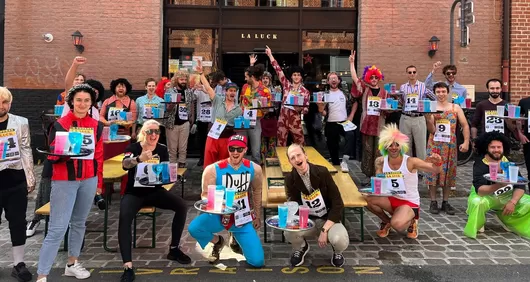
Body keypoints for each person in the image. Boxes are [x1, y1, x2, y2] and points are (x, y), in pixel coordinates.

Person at [36, 84, 104, 282]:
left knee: (79, 224)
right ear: (71, 102)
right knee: (57, 228)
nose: (82, 104)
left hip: (89, 180)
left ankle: (72, 264)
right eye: (78, 100)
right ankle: (42, 274)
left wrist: (98, 182)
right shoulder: (59, 124)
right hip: (64, 181)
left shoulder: (97, 125)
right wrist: (63, 154)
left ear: (92, 103)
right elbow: (51, 158)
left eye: (86, 100)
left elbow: (98, 157)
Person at [119, 120, 191, 282]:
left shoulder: (162, 149)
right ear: (143, 133)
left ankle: (174, 249)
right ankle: (128, 267)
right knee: (124, 219)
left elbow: (165, 175)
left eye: (157, 132)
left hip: (155, 191)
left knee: (181, 206)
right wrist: (139, 159)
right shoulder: (133, 148)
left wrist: (170, 175)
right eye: (150, 131)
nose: (153, 135)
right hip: (134, 193)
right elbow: (125, 164)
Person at [188, 135, 264, 267]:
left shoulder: (254, 168)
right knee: (194, 228)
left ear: (245, 150)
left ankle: (235, 237)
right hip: (218, 216)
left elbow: (257, 192)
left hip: (241, 218)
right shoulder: (213, 170)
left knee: (257, 261)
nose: (235, 152)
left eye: (239, 149)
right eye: (232, 148)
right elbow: (205, 195)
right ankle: (217, 241)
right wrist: (215, 203)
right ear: (228, 149)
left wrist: (257, 215)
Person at [364, 124, 442, 239]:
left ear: (402, 146)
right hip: (391, 199)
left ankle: (411, 221)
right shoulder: (381, 162)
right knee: (367, 200)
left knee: (398, 225)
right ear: (385, 147)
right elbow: (379, 187)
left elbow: (436, 170)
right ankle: (386, 221)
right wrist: (371, 190)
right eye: (390, 145)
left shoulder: (411, 162)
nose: (394, 148)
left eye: (397, 145)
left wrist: (438, 162)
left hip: (408, 202)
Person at [283, 144, 348, 267]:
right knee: (288, 233)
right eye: (292, 158)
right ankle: (301, 247)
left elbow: (337, 203)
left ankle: (338, 251)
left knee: (340, 239)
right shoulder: (289, 179)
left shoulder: (322, 172)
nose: (297, 159)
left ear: (305, 155)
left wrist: (325, 230)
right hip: (307, 221)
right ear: (290, 162)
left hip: (327, 218)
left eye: (299, 155)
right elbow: (293, 205)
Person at [464, 132, 530, 239]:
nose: (496, 150)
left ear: (503, 147)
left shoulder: (507, 162)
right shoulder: (480, 163)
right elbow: (480, 191)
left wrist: (512, 202)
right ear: (486, 148)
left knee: (528, 202)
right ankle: (478, 221)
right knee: (477, 202)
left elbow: (520, 185)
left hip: (506, 195)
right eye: (492, 147)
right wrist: (499, 185)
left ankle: (507, 218)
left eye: (499, 147)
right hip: (486, 196)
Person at [0, 87, 36, 282]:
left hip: (15, 181)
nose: (1, 106)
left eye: (4, 102)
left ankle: (18, 263)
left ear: (10, 103)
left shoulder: (21, 122)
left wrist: (30, 178)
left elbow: (25, 149)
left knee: (18, 222)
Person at [425, 82, 470, 215]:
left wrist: (466, 141)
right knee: (433, 172)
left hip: (450, 146)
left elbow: (465, 125)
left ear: (448, 92)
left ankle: (445, 201)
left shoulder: (455, 107)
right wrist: (428, 119)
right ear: (435, 93)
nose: (441, 94)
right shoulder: (432, 108)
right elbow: (432, 130)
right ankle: (433, 201)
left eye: (443, 91)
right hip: (435, 145)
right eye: (438, 92)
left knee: (449, 173)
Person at [349, 50, 388, 182]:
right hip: (366, 124)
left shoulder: (385, 92)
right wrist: (351, 63)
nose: (373, 80)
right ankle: (368, 175)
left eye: (375, 78)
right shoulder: (365, 89)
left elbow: (388, 110)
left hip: (379, 125)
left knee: (378, 151)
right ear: (368, 78)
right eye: (371, 78)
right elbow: (355, 79)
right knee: (367, 150)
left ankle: (378, 175)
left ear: (379, 78)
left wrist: (389, 109)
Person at [196, 61, 243, 168]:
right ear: (225, 92)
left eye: (234, 91)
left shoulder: (238, 109)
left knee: (225, 164)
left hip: (227, 137)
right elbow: (208, 88)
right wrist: (201, 74)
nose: (232, 93)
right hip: (213, 136)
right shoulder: (217, 99)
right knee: (209, 164)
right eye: (230, 90)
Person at [265, 45, 309, 146]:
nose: (296, 77)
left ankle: (301, 161)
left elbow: (306, 108)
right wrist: (270, 55)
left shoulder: (305, 91)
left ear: (301, 77)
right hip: (282, 119)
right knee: (280, 144)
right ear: (291, 76)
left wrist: (302, 109)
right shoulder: (286, 85)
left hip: (295, 120)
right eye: (294, 75)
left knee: (300, 143)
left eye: (298, 75)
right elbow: (278, 70)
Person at [321, 72, 358, 172]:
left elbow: (355, 103)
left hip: (343, 122)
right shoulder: (325, 95)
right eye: (331, 78)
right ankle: (336, 166)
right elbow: (324, 112)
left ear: (339, 80)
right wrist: (320, 110)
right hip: (330, 123)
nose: (333, 80)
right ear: (328, 82)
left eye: (335, 78)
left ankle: (345, 161)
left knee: (350, 136)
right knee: (332, 147)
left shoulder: (345, 93)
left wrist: (351, 116)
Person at [398, 65, 437, 162]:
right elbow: (401, 102)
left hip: (419, 118)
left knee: (421, 147)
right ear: (407, 74)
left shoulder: (423, 86)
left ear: (417, 73)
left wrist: (428, 108)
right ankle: (407, 170)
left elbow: (434, 97)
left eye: (414, 72)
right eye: (410, 72)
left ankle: (422, 172)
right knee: (405, 146)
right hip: (405, 118)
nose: (412, 74)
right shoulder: (402, 87)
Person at [163, 71, 196, 167]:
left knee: (183, 148)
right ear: (176, 80)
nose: (183, 82)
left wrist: (192, 120)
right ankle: (172, 169)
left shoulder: (189, 91)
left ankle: (181, 169)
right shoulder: (170, 91)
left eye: (185, 80)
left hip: (185, 123)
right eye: (181, 79)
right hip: (172, 123)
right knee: (172, 149)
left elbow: (192, 106)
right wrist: (173, 104)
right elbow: (167, 108)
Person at [240, 63, 271, 164]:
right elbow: (240, 103)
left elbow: (267, 109)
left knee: (256, 151)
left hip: (256, 121)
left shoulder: (265, 90)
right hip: (243, 120)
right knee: (241, 149)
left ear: (252, 77)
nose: (245, 79)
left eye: (246, 77)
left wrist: (263, 109)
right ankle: (241, 171)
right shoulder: (245, 87)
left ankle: (256, 174)